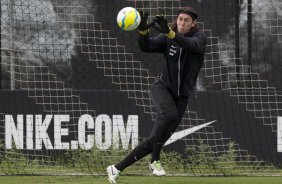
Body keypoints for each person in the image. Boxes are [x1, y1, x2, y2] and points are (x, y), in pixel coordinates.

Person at [107, 6, 207, 184]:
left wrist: (170, 33)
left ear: (193, 24)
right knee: (169, 115)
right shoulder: (168, 37)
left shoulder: (199, 38)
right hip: (161, 88)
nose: (182, 23)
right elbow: (147, 46)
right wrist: (143, 31)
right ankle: (155, 160)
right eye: (180, 19)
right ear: (176, 20)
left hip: (181, 97)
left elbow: (190, 45)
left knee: (155, 139)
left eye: (186, 20)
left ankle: (116, 168)